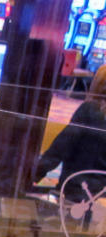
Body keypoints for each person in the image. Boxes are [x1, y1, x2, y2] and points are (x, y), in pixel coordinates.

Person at [34, 68, 106, 203]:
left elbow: (61, 147)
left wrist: (34, 174)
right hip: (101, 195)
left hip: (77, 190)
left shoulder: (90, 110)